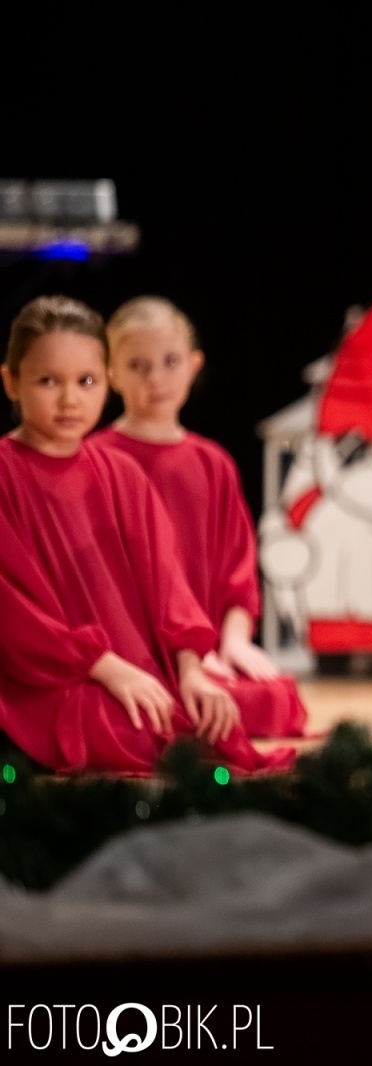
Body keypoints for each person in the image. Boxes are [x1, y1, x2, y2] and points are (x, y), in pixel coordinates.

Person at [0, 296, 290, 774]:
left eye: (85, 381)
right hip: (48, 679)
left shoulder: (123, 476)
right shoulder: (7, 475)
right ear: (12, 381)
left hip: (135, 671)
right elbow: (14, 616)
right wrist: (106, 668)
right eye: (48, 381)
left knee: (210, 713)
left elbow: (169, 591)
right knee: (126, 727)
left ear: (104, 382)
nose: (70, 399)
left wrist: (192, 671)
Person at [95, 296, 306, 737]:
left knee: (275, 698)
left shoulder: (213, 463)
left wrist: (231, 643)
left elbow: (238, 573)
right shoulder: (97, 459)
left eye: (170, 362)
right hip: (132, 651)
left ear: (193, 366)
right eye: (138, 366)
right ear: (111, 373)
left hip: (206, 653)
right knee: (144, 709)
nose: (156, 378)